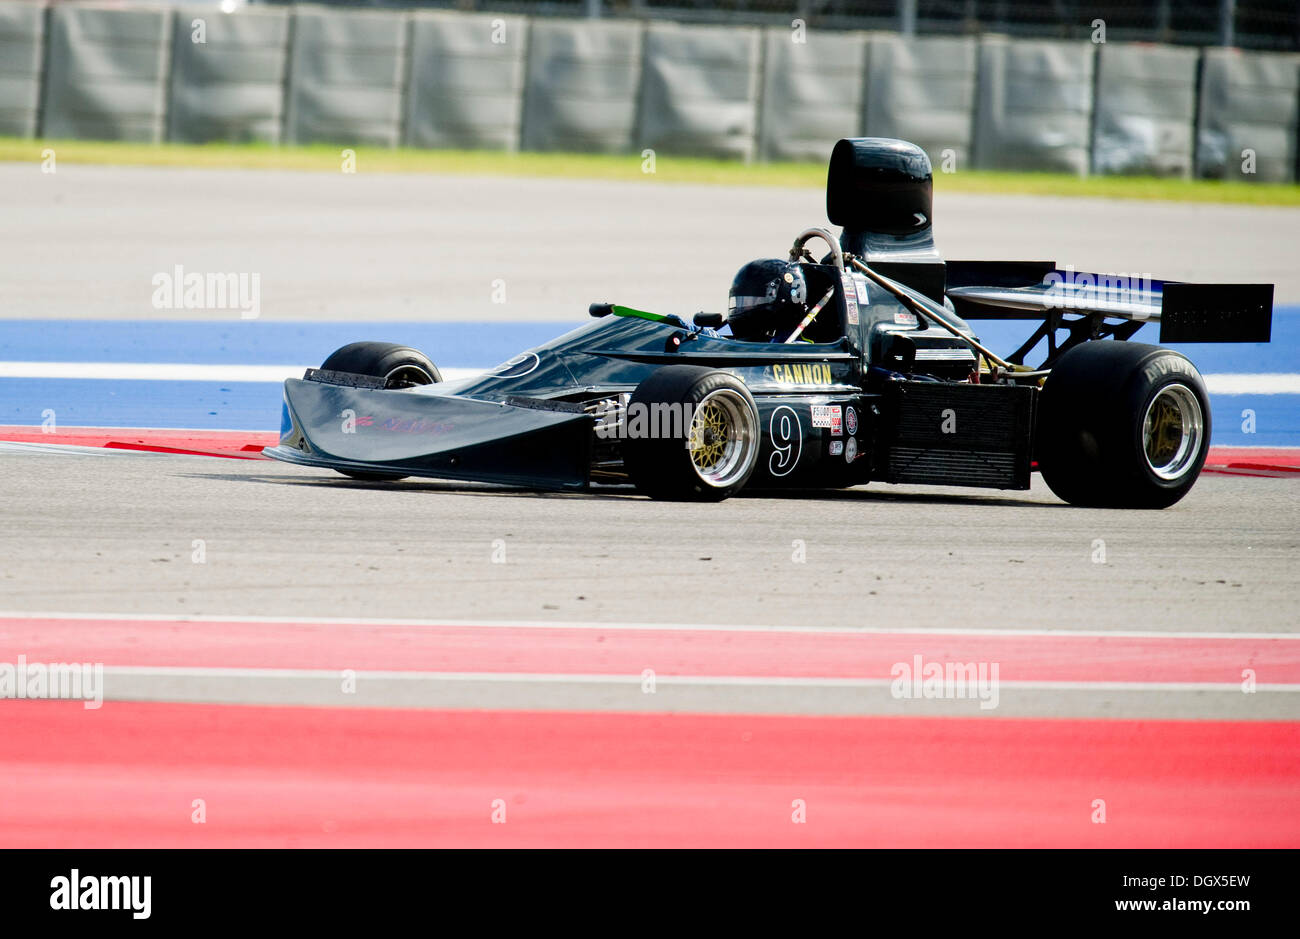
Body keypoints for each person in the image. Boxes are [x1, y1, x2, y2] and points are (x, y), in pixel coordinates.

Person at [725, 259, 810, 342]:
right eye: (742, 301)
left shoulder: (791, 343)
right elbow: (718, 336)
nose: (744, 307)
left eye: (752, 301)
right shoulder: (735, 329)